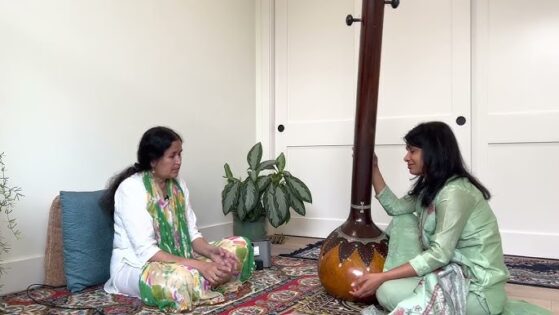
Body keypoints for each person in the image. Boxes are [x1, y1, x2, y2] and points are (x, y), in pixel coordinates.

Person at [349, 121, 551, 315]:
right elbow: (395, 208)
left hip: (476, 289)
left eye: (412, 151)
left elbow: (439, 255)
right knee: (403, 222)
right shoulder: (431, 187)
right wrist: (373, 167)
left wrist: (382, 277)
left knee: (386, 291)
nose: (406, 157)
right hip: (446, 273)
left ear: (433, 152)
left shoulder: (454, 192)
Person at [101, 126, 255, 312]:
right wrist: (201, 266)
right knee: (182, 279)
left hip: (180, 257)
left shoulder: (178, 185)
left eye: (180, 154)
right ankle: (208, 279)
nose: (178, 161)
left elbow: (192, 235)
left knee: (240, 245)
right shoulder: (131, 189)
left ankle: (206, 279)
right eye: (172, 156)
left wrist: (212, 252)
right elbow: (147, 253)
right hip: (137, 267)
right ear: (153, 160)